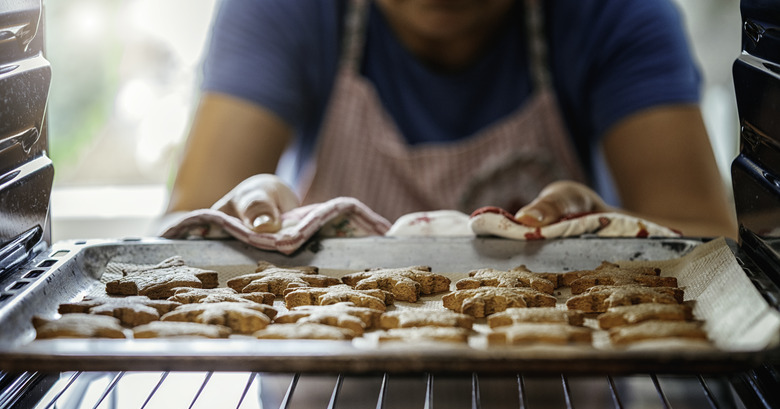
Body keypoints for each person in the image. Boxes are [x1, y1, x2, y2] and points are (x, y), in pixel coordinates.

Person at [165, 0, 737, 239]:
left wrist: (608, 237)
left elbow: (707, 248)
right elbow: (183, 237)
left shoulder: (615, 13)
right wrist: (240, 221)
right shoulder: (281, 11)